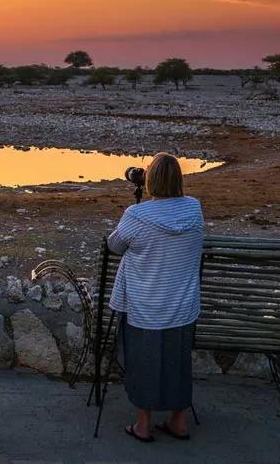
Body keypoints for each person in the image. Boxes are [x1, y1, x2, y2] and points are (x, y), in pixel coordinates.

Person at [107, 153, 203, 443]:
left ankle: (143, 424)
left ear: (150, 180)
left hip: (146, 304)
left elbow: (115, 245)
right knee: (178, 361)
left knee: (143, 361)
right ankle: (178, 420)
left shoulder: (137, 216)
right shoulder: (194, 208)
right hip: (182, 305)